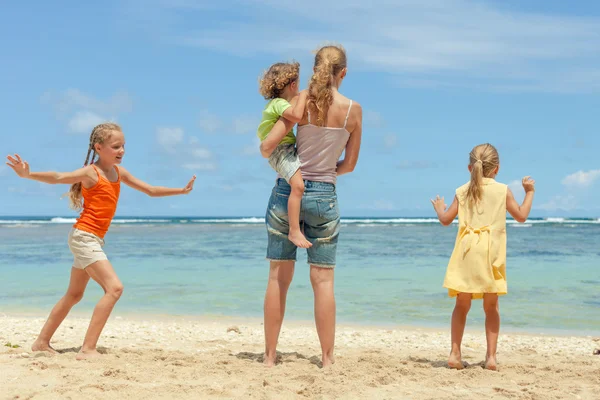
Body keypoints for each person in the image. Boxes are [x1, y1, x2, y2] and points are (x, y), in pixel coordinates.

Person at [5, 122, 196, 360]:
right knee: (114, 288)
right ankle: (88, 349)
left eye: (124, 146)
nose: (122, 150)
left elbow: (150, 190)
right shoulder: (90, 173)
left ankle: (41, 343)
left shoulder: (118, 173)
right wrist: (28, 174)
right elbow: (58, 177)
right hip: (84, 238)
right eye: (116, 146)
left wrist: (181, 190)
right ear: (99, 147)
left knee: (74, 295)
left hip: (90, 238)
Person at [260, 45, 362, 367]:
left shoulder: (300, 101)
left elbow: (269, 146)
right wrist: (327, 172)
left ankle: (270, 356)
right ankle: (328, 359)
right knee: (323, 282)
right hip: (324, 196)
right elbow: (350, 165)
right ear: (343, 73)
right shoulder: (353, 111)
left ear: (316, 68)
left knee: (278, 278)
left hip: (288, 189)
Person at [430, 143, 535, 370]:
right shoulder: (503, 190)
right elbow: (521, 216)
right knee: (491, 307)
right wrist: (530, 193)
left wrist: (439, 208)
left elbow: (446, 220)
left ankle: (455, 354)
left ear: (470, 168)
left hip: (466, 253)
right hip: (491, 254)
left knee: (461, 304)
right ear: (496, 168)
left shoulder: (462, 190)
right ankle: (491, 358)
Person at [257, 62, 311, 248]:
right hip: (280, 149)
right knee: (298, 187)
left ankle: (296, 227)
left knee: (295, 185)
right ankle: (294, 231)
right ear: (293, 85)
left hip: (282, 148)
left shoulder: (277, 103)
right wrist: (304, 95)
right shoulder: (279, 104)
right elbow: (296, 116)